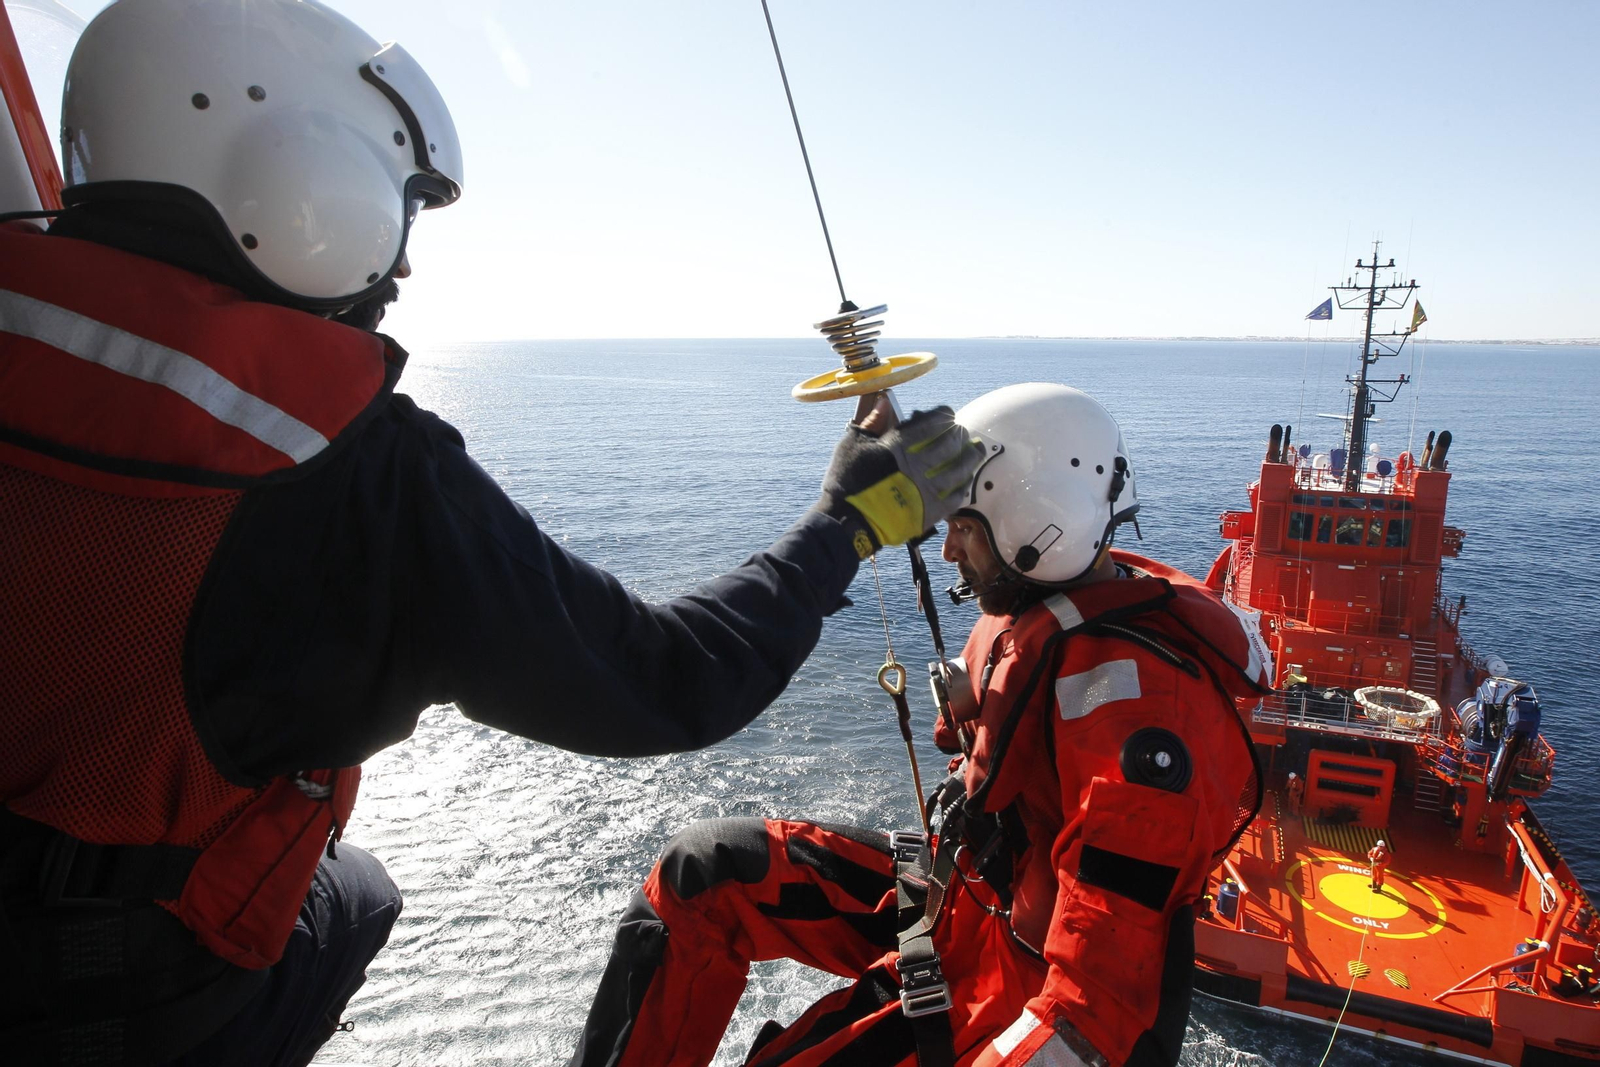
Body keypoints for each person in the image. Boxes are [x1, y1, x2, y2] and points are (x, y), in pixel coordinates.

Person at [0, 2, 985, 1064]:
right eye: (401, 205)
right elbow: (667, 677)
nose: (404, 266)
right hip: (133, 992)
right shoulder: (358, 469)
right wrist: (852, 520)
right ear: (299, 179)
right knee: (359, 892)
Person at [568, 383, 1269, 1067]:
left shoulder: (1143, 727)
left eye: (963, 527)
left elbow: (1098, 1018)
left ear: (1037, 522)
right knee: (704, 872)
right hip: (960, 898)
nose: (947, 551)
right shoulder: (1048, 613)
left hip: (1009, 988)